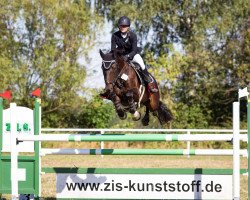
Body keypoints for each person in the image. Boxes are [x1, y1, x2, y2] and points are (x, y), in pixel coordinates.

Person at [100, 16, 158, 98]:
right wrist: (109, 57)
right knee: (110, 68)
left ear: (128, 27)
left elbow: (134, 50)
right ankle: (108, 89)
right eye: (121, 26)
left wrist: (128, 56)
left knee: (141, 64)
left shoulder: (133, 35)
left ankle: (149, 85)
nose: (123, 27)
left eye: (125, 26)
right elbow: (113, 49)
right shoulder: (115, 35)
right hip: (120, 56)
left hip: (132, 54)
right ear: (119, 26)